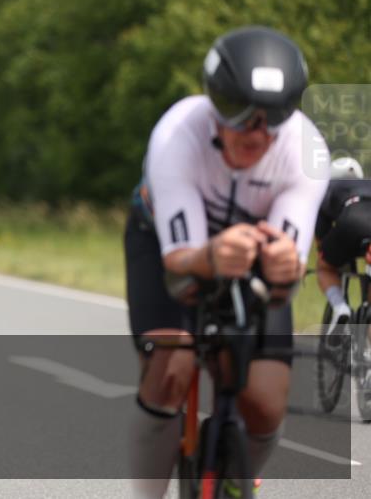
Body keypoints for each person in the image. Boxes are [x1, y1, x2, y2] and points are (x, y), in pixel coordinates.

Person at [124, 26, 329, 497]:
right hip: (167, 243)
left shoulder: (306, 150)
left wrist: (284, 268)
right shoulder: (178, 133)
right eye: (239, 113)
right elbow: (178, 263)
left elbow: (287, 274)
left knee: (265, 402)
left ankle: (234, 477)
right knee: (170, 369)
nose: (255, 130)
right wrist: (213, 255)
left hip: (247, 256)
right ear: (214, 104)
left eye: (273, 117)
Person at [316, 157, 371, 338]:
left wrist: (333, 257)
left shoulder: (327, 189)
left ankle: (340, 308)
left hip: (350, 222)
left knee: (324, 267)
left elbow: (321, 241)